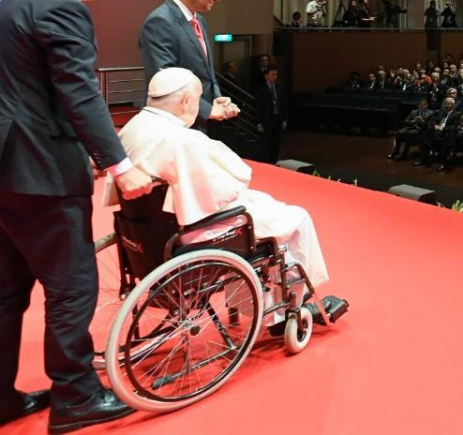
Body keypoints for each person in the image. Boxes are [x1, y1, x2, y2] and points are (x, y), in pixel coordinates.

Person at [0, 0, 154, 432]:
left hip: (7, 167)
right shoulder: (62, 6)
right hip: (43, 170)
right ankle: (75, 398)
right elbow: (79, 92)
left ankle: (1, 396)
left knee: (6, 290)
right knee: (72, 287)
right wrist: (120, 164)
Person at [110, 69, 337, 324]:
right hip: (198, 230)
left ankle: (264, 305)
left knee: (264, 204)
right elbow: (227, 188)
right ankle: (292, 306)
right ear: (186, 101)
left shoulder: (130, 128)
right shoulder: (184, 141)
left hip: (149, 230)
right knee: (298, 217)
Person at [139, 0, 239, 132]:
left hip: (198, 119)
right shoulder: (160, 21)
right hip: (174, 122)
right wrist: (207, 109)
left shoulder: (199, 20)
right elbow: (165, 80)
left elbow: (206, 71)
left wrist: (216, 98)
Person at [255, 68, 288, 164]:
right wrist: (258, 123)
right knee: (265, 143)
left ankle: (274, 161)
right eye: (273, 74)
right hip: (266, 120)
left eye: (276, 74)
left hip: (277, 119)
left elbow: (283, 104)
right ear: (266, 76)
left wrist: (285, 119)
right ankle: (264, 163)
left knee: (276, 143)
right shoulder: (261, 90)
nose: (275, 76)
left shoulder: (279, 88)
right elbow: (258, 107)